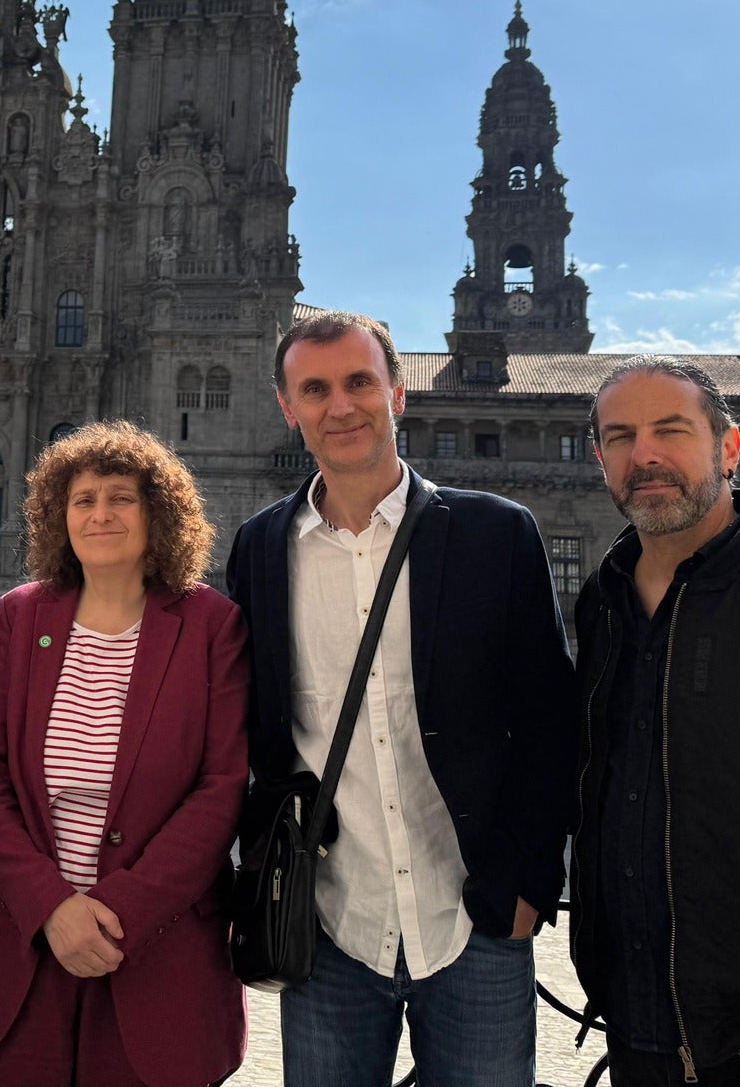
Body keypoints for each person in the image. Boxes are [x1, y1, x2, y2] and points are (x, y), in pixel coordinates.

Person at [225, 311, 576, 1087]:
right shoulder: (260, 548)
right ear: (287, 406)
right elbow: (261, 729)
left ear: (398, 393)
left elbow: (550, 720)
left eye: (360, 382)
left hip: (474, 919)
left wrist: (529, 882)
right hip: (329, 926)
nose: (340, 406)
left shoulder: (496, 534)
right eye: (315, 390)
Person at [570, 357, 740, 1085]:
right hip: (635, 1023)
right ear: (599, 458)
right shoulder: (601, 603)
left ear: (730, 447)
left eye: (671, 430)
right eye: (621, 437)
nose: (645, 455)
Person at [0, 421, 250, 1087]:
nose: (100, 514)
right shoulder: (20, 617)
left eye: (121, 497)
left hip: (159, 958)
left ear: (158, 513)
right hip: (27, 953)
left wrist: (119, 913)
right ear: (58, 517)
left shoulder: (212, 626)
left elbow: (222, 787)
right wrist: (51, 906)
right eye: (83, 499)